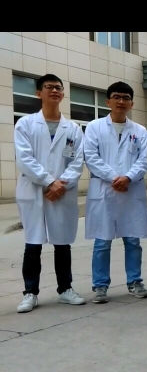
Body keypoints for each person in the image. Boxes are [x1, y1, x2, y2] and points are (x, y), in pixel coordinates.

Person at [14, 74, 86, 313]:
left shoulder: (73, 129)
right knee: (33, 243)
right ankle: (30, 293)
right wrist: (48, 181)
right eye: (49, 87)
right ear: (38, 93)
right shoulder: (25, 124)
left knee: (62, 242)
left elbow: (76, 161)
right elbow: (24, 158)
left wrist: (61, 184)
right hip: (34, 191)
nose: (55, 91)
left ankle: (65, 289)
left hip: (62, 192)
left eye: (58, 88)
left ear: (63, 94)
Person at [83, 81, 147, 303]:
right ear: (108, 101)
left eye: (126, 98)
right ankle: (100, 286)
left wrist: (128, 177)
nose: (121, 101)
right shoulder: (94, 127)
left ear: (132, 103)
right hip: (105, 190)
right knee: (102, 242)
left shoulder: (140, 131)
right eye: (117, 97)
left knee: (133, 240)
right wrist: (114, 177)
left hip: (131, 190)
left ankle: (135, 281)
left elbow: (143, 160)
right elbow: (91, 157)